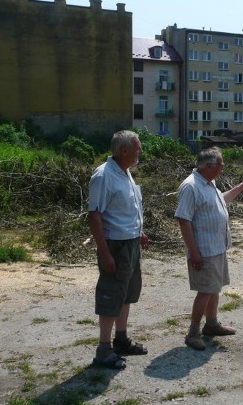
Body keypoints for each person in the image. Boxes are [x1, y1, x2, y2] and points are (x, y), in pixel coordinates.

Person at [175, 147, 243, 351]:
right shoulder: (191, 186)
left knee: (214, 288)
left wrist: (240, 187)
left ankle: (211, 324)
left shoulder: (209, 184)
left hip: (217, 247)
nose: (223, 168)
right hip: (203, 249)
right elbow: (183, 220)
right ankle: (193, 332)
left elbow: (222, 201)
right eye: (221, 164)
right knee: (205, 291)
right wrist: (193, 251)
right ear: (209, 165)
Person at [87, 130, 150, 369]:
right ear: (124, 151)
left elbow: (126, 209)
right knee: (111, 294)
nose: (140, 151)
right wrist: (104, 252)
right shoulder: (104, 176)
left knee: (127, 293)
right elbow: (94, 215)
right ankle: (104, 350)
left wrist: (139, 231)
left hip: (131, 242)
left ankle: (121, 340)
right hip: (115, 245)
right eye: (137, 147)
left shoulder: (126, 174)